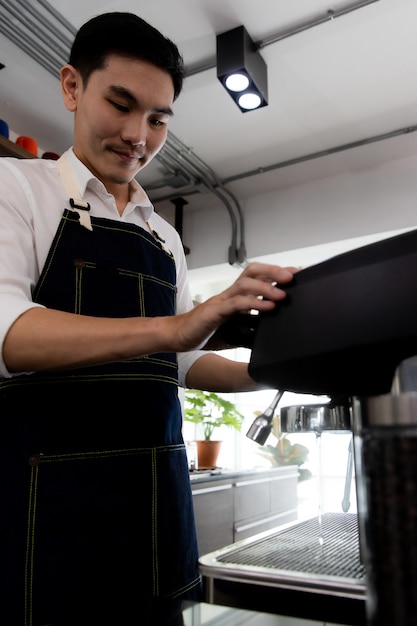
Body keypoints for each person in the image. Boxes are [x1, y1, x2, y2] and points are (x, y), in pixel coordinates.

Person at [0, 12, 296, 626]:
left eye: (158, 119)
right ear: (72, 87)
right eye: (122, 103)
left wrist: (277, 369)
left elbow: (182, 363)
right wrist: (174, 327)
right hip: (44, 512)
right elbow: (11, 333)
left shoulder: (162, 236)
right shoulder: (16, 188)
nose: (139, 134)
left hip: (156, 509)